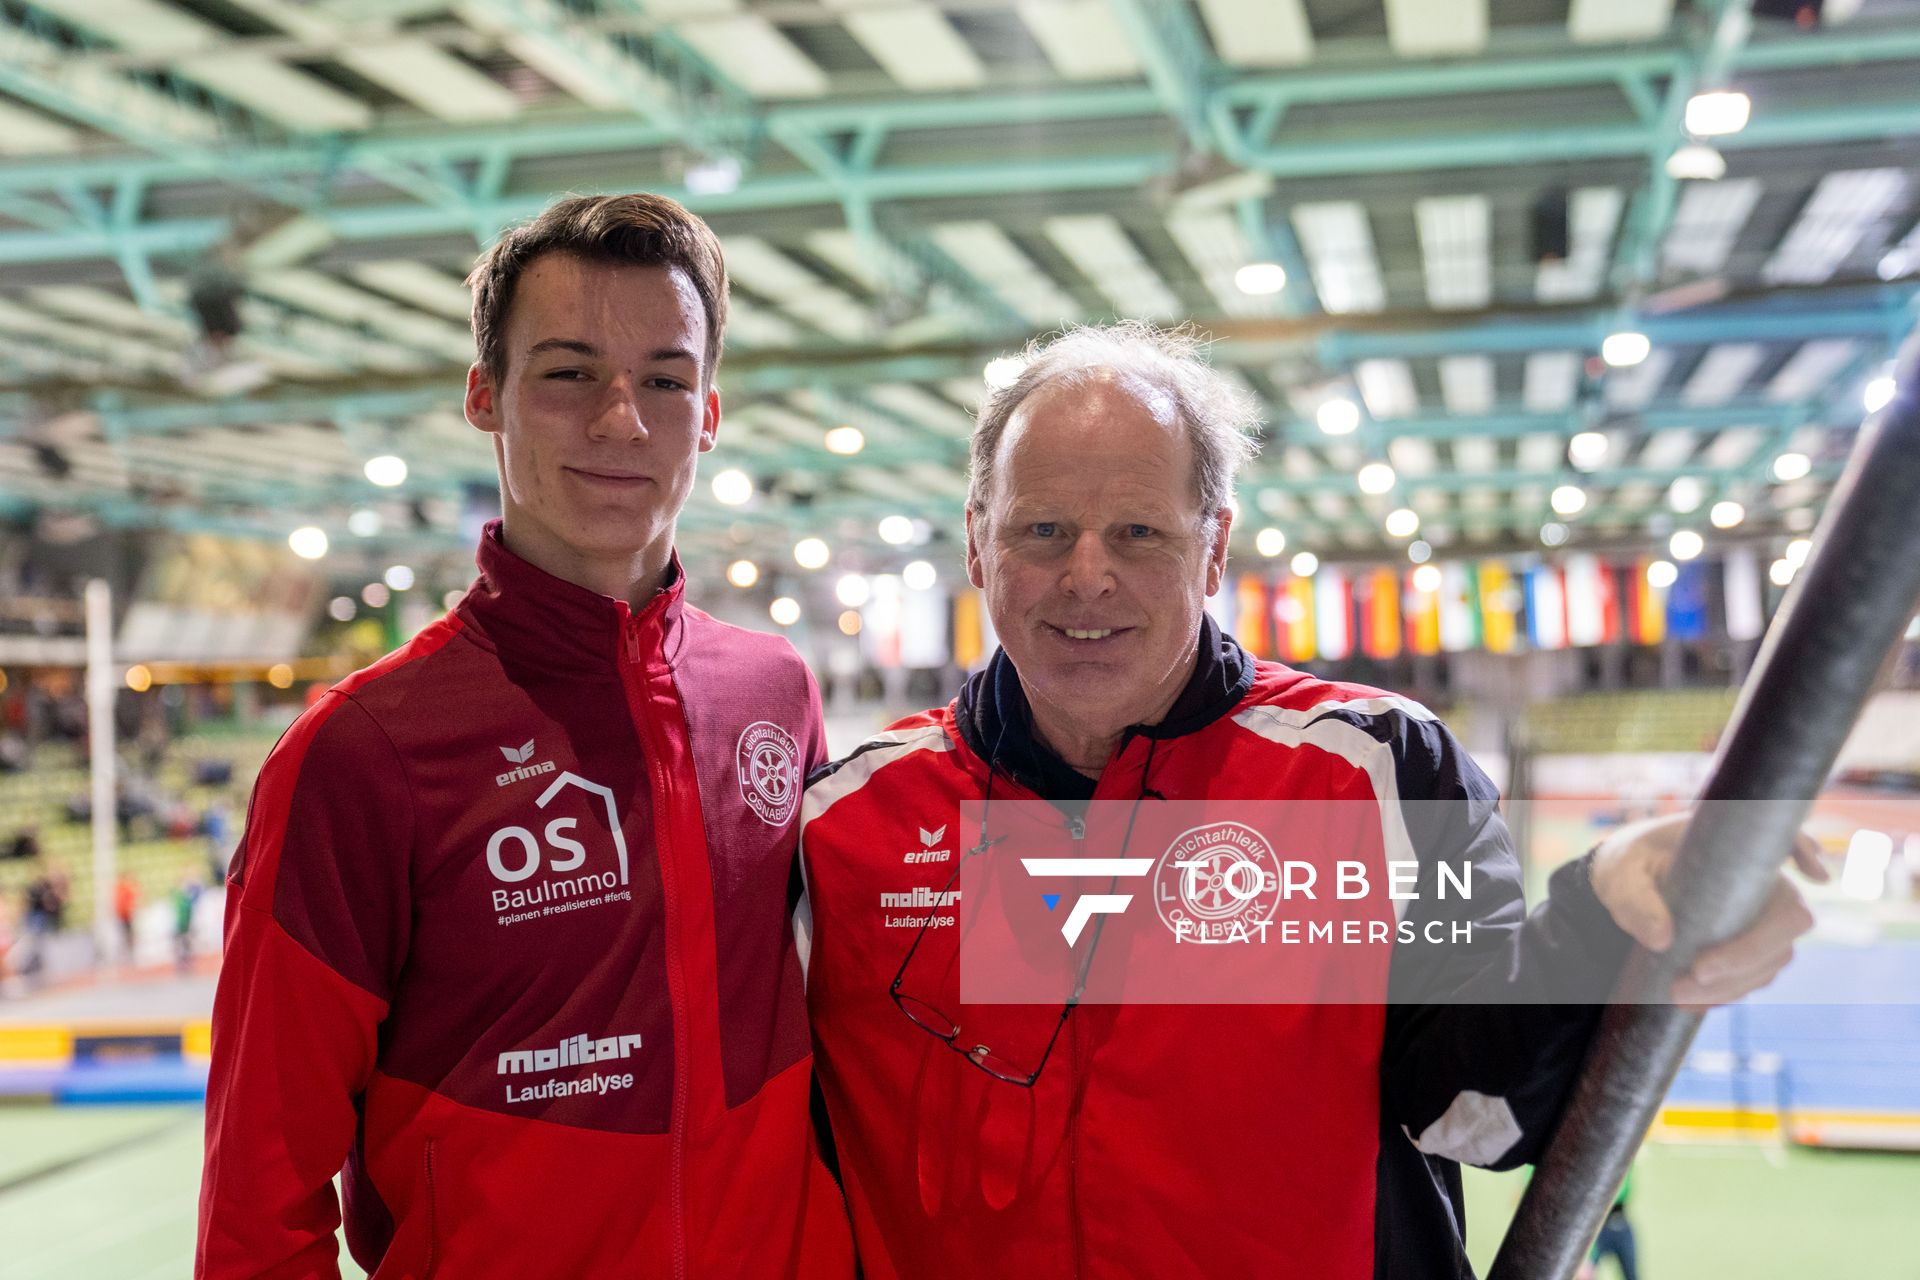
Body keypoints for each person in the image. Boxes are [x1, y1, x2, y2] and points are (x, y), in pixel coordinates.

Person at [797, 322, 1818, 1278]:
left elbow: (1481, 1109)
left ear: (1213, 545)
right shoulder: (847, 825)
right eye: (1044, 529)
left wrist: (1601, 915)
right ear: (978, 542)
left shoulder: (1371, 770)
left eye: (1141, 531)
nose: (1087, 576)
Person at [198, 194, 852, 1279]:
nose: (621, 420)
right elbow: (258, 1201)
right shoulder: (365, 752)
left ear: (711, 412)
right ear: (484, 398)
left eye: (664, 379)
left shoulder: (773, 693)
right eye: (567, 372)